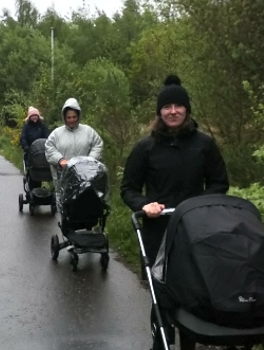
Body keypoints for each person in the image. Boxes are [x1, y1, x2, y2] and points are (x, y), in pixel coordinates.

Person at [120, 75, 229, 350]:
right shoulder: (146, 148)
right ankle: (162, 342)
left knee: (192, 296)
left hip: (196, 232)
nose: (172, 111)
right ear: (159, 112)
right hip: (158, 234)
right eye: (166, 107)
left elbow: (219, 183)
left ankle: (189, 344)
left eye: (178, 106)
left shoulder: (203, 145)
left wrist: (197, 204)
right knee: (163, 298)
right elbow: (129, 188)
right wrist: (144, 205)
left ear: (187, 109)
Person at [45, 98, 104, 206]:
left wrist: (90, 160)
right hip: (64, 177)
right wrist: (60, 160)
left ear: (78, 116)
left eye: (74, 117)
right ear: (64, 117)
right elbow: (49, 148)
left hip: (86, 177)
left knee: (85, 203)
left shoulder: (88, 131)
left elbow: (98, 145)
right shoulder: (56, 134)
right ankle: (65, 220)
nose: (71, 120)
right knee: (67, 207)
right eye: (68, 117)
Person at [20, 106, 50, 190]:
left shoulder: (42, 126)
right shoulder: (26, 127)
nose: (34, 117)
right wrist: (25, 146)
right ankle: (32, 187)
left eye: (36, 115)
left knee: (45, 168)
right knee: (33, 170)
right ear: (29, 117)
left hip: (42, 151)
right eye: (32, 116)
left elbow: (48, 136)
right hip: (30, 151)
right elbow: (23, 137)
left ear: (38, 116)